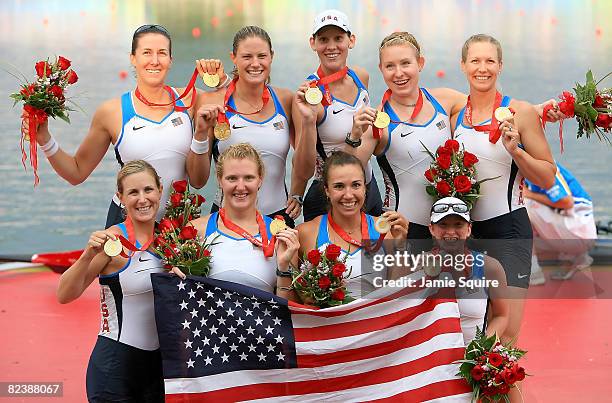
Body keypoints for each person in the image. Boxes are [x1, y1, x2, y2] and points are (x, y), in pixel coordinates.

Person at [28, 24, 228, 227]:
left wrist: (222, 80)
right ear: (133, 58)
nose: (155, 61)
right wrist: (44, 138)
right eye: (147, 53)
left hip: (178, 227)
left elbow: (239, 102)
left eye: (162, 53)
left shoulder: (191, 100)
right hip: (127, 225)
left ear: (170, 60)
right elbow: (76, 172)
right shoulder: (112, 112)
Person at [451, 34, 556, 343]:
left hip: (508, 230)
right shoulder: (455, 113)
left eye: (489, 61)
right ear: (463, 65)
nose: (482, 69)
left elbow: (548, 177)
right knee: (471, 329)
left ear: (500, 65)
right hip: (466, 234)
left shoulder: (519, 112)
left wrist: (517, 152)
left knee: (505, 335)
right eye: (475, 61)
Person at [56, 160, 165, 402]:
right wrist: (86, 256)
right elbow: (64, 294)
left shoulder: (171, 240)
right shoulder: (112, 242)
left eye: (148, 189)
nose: (142, 199)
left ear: (160, 189)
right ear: (121, 198)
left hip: (159, 369)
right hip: (116, 365)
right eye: (133, 192)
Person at [193, 26, 299, 226]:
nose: (255, 63)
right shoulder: (212, 102)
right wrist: (199, 133)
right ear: (233, 57)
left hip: (277, 220)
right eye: (247, 56)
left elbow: (303, 157)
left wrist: (298, 192)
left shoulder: (285, 100)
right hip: (226, 220)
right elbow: (197, 181)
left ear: (271, 57)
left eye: (262, 56)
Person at [291, 9, 382, 221]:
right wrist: (296, 193)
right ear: (313, 43)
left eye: (338, 38)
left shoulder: (360, 76)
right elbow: (303, 164)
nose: (331, 47)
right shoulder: (309, 96)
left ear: (351, 40)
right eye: (323, 39)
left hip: (368, 187)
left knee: (374, 254)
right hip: (330, 197)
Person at [187, 143, 299, 295]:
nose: (240, 187)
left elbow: (288, 309)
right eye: (232, 178)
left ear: (260, 180)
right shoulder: (196, 230)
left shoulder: (281, 235)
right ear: (220, 180)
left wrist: (284, 268)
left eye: (248, 178)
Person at [295, 151, 408, 299]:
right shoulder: (306, 233)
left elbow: (398, 296)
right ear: (327, 190)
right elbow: (300, 302)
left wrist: (401, 245)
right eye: (339, 186)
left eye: (356, 185)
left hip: (376, 320)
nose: (348, 195)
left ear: (365, 188)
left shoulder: (385, 230)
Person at [426, 197, 509, 345]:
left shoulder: (490, 267)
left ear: (469, 228)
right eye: (443, 225)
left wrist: (481, 348)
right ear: (431, 229)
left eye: (458, 224)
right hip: (432, 363)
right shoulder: (418, 266)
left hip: (471, 363)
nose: (451, 232)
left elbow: (501, 316)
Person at [526, 162, 596, 284]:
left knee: (521, 204)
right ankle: (573, 258)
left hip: (577, 233)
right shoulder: (534, 166)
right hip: (579, 232)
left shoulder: (542, 166)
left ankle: (534, 273)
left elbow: (567, 202)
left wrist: (528, 194)